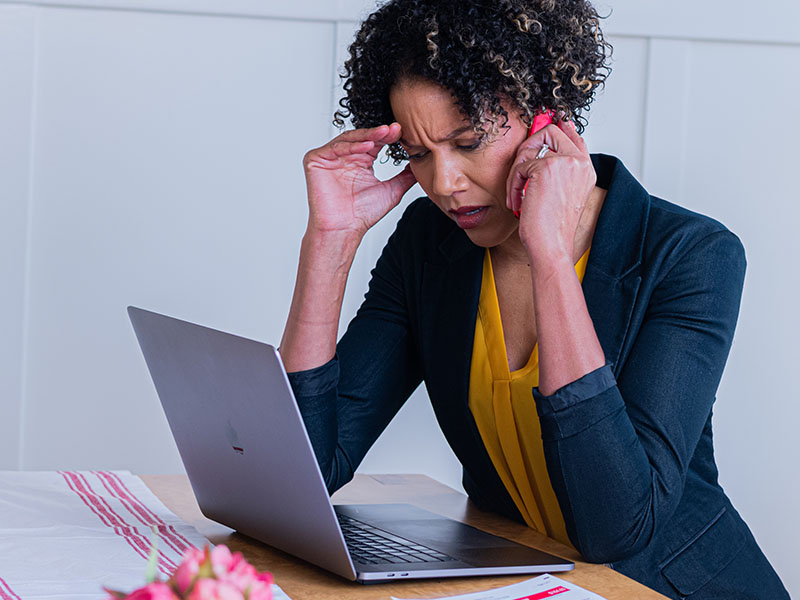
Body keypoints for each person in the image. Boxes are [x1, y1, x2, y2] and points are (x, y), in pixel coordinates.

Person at [278, 0, 788, 597]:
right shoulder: (429, 245)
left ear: (547, 116)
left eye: (468, 142)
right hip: (530, 580)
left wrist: (549, 256)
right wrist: (329, 245)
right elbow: (302, 476)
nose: (443, 184)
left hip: (664, 587)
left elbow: (617, 527)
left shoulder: (692, 255)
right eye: (418, 155)